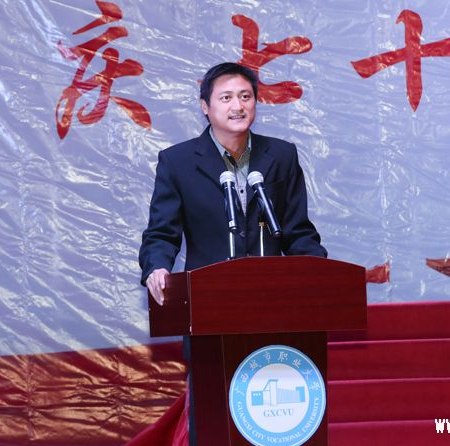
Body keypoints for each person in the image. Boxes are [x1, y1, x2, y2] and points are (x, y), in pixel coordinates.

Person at [139, 62, 326, 304]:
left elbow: (297, 231)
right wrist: (157, 269)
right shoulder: (178, 162)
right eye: (226, 98)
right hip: (207, 300)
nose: (237, 106)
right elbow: (161, 234)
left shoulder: (282, 155)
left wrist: (321, 270)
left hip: (273, 299)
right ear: (205, 106)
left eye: (245, 96)